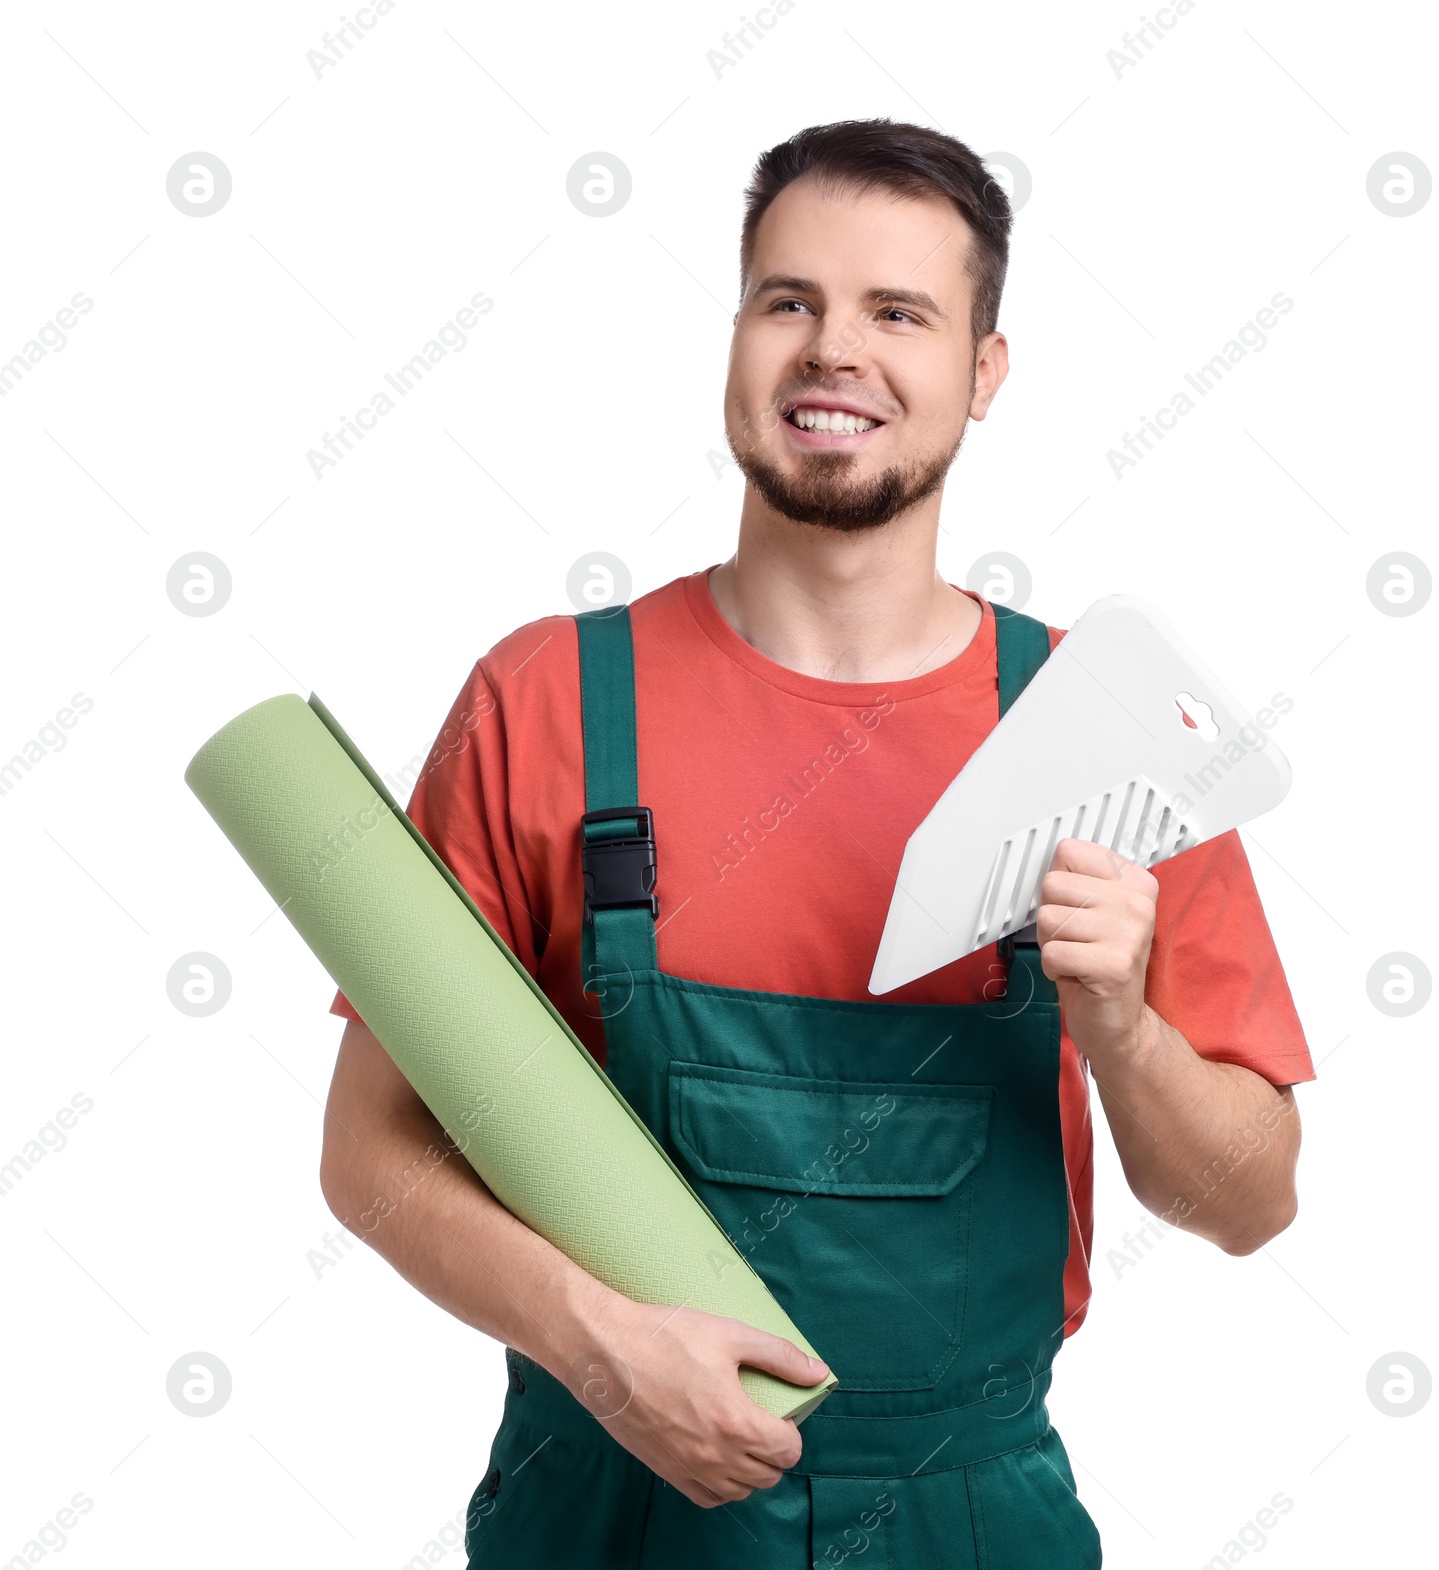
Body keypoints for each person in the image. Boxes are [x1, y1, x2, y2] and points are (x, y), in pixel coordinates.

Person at [320, 118, 1314, 1568]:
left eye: (897, 313)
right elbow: (371, 1150)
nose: (831, 350)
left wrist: (1122, 1027)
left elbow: (1251, 1202)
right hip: (605, 1503)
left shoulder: (1103, 746)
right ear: (736, 335)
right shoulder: (544, 705)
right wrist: (598, 1345)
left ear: (983, 375)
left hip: (970, 1514)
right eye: (788, 300)